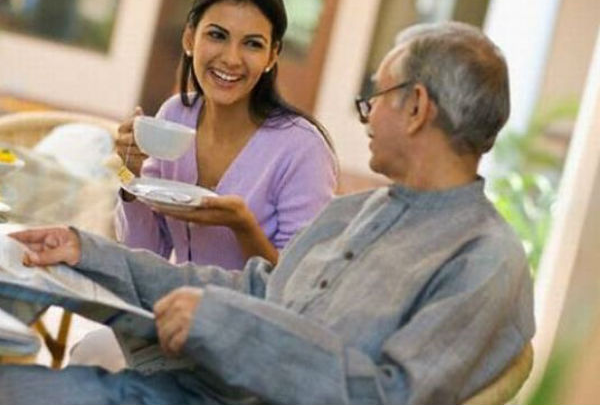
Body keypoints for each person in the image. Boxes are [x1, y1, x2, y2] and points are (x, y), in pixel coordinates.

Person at [0, 21, 535, 405]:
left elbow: (388, 396)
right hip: (187, 388)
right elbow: (257, 290)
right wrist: (88, 253)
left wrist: (227, 325)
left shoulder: (483, 259)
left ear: (416, 107)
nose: (367, 115)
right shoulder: (352, 212)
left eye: (375, 96)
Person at [115, 0, 337, 269]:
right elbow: (145, 252)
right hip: (170, 296)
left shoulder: (303, 150)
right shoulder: (175, 116)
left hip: (242, 302)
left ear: (272, 56)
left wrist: (242, 225)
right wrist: (130, 174)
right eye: (217, 35)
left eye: (253, 44)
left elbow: (298, 281)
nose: (231, 59)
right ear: (190, 39)